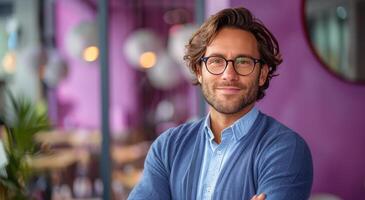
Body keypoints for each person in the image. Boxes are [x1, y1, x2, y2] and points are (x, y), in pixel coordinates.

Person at [128, 7, 313, 200]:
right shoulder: (167, 147)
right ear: (199, 71)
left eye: (243, 61)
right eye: (216, 61)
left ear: (262, 74)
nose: (229, 75)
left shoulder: (286, 149)